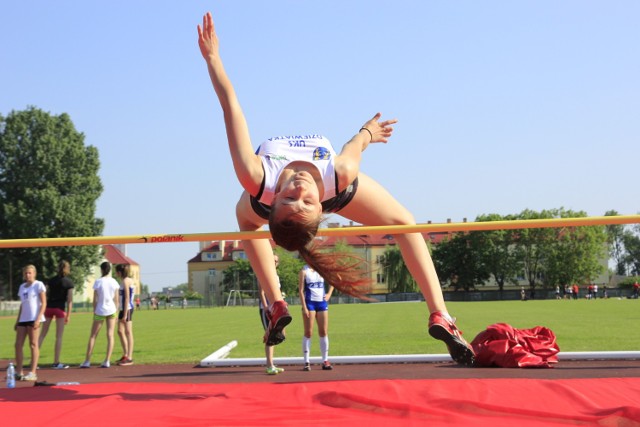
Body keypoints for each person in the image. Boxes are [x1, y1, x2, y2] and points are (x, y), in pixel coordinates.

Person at [197, 11, 475, 366]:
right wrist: (367, 132)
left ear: (274, 201)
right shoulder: (336, 174)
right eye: (304, 199)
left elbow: (230, 106)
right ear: (321, 209)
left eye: (291, 197)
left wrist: (213, 59)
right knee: (406, 222)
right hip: (339, 188)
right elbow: (356, 145)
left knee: (247, 222)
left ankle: (277, 302)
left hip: (300, 194)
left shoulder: (256, 178)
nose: (299, 187)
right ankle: (439, 313)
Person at [80, 262, 120, 368]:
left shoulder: (98, 282)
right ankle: (107, 360)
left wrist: (95, 310)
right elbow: (116, 300)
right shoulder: (114, 282)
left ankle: (87, 361)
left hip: (100, 310)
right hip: (111, 310)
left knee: (93, 336)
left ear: (102, 270)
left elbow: (95, 299)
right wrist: (116, 313)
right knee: (110, 335)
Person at [38, 260, 74, 369]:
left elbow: (46, 294)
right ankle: (56, 362)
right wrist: (68, 315)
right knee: (58, 337)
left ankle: (34, 360)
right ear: (67, 269)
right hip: (59, 309)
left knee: (42, 334)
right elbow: (70, 300)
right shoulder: (69, 282)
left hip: (49, 308)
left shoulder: (51, 280)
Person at [14, 265, 47, 382]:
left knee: (33, 344)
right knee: (18, 344)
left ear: (34, 273)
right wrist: (17, 321)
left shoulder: (38, 285)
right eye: (26, 273)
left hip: (34, 318)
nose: (27, 275)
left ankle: (33, 372)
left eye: (29, 273)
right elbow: (22, 304)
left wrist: (38, 319)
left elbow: (43, 303)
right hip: (23, 318)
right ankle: (19, 372)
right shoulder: (22, 287)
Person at [299, 264, 335, 371]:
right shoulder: (304, 271)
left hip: (322, 303)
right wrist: (304, 307)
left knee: (323, 332)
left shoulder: (322, 269)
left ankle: (325, 360)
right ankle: (306, 362)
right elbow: (300, 290)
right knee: (308, 332)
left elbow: (334, 280)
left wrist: (329, 293)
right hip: (309, 304)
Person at [258, 255, 285, 375]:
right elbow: (261, 292)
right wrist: (266, 307)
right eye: (272, 260)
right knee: (270, 336)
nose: (274, 263)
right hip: (268, 310)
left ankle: (271, 364)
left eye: (276, 261)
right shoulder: (264, 273)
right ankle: (269, 366)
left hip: (276, 309)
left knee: (276, 336)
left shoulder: (276, 276)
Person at [115, 264, 135, 366]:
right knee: (120, 331)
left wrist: (125, 315)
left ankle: (130, 357)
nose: (115, 274)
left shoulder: (126, 281)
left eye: (116, 272)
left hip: (128, 308)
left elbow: (127, 297)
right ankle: (125, 354)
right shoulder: (123, 281)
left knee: (128, 332)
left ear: (119, 272)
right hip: (123, 308)